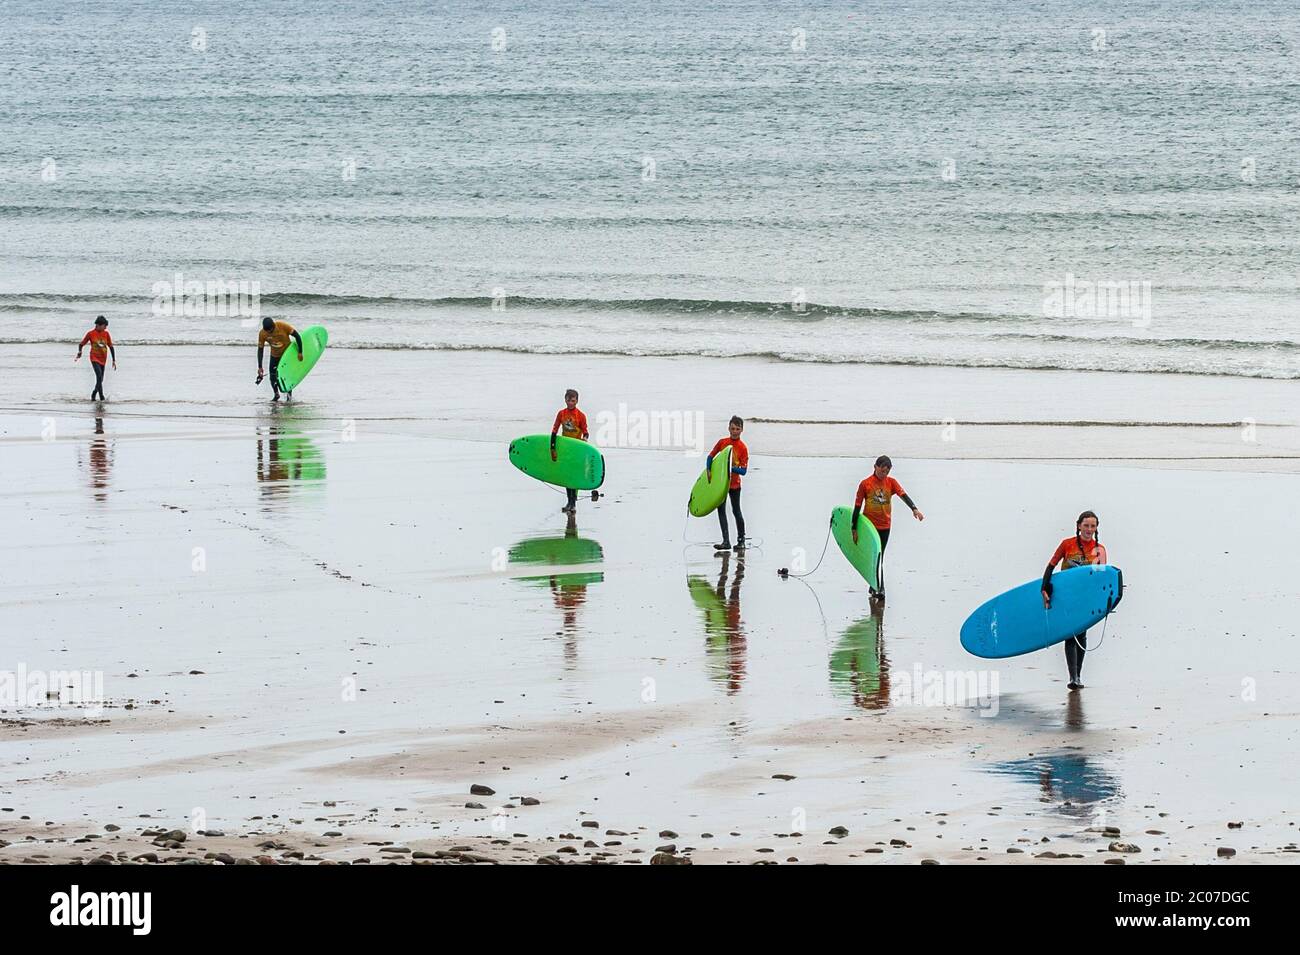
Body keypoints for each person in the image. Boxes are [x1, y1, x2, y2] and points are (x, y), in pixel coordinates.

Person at [1041, 510, 1108, 691]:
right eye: (1086, 525)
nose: (1089, 529)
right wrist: (1044, 588)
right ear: (1079, 526)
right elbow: (1051, 566)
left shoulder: (1099, 550)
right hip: (1066, 597)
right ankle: (1074, 677)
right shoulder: (1067, 544)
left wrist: (1102, 602)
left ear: (1096, 528)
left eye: (1092, 526)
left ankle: (1078, 675)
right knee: (1070, 633)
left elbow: (1101, 580)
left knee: (1082, 634)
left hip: (1086, 599)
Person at [851, 455, 923, 602]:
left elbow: (903, 495)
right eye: (882, 471)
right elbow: (857, 506)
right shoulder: (865, 484)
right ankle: (880, 588)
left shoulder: (891, 482)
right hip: (869, 526)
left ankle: (874, 585)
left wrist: (914, 509)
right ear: (875, 467)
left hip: (885, 526)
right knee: (874, 556)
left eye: (887, 472)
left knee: (879, 556)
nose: (884, 474)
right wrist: (854, 528)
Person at [707, 416, 749, 551]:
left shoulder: (742, 448)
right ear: (728, 428)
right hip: (721, 484)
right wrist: (708, 469)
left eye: (737, 429)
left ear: (742, 430)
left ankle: (741, 541)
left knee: (736, 511)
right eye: (732, 428)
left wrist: (729, 467)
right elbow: (710, 456)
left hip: (735, 485)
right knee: (721, 511)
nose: (734, 431)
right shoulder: (723, 442)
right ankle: (726, 541)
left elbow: (743, 471)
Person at [551, 389, 590, 513]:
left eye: (573, 400)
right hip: (565, 448)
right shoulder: (561, 414)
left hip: (576, 449)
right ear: (565, 400)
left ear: (577, 401)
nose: (570, 403)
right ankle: (569, 502)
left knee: (573, 476)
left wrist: (584, 439)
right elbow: (554, 430)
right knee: (567, 477)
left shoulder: (581, 416)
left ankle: (573, 503)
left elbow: (586, 432)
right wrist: (553, 448)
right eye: (568, 400)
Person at [256, 317, 304, 401]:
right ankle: (276, 394)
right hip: (275, 355)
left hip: (287, 355)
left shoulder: (282, 326)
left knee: (287, 376)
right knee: (272, 377)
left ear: (274, 326)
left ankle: (289, 397)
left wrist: (300, 352)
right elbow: (260, 350)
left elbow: (297, 336)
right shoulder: (262, 333)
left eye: (271, 331)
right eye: (267, 331)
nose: (269, 333)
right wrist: (260, 366)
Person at [75, 315, 116, 400]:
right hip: (94, 358)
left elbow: (111, 346)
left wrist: (113, 360)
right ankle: (94, 394)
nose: (105, 328)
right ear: (99, 325)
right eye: (104, 326)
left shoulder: (106, 334)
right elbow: (81, 344)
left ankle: (101, 396)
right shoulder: (90, 334)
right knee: (99, 376)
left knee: (100, 379)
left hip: (103, 359)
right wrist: (80, 351)